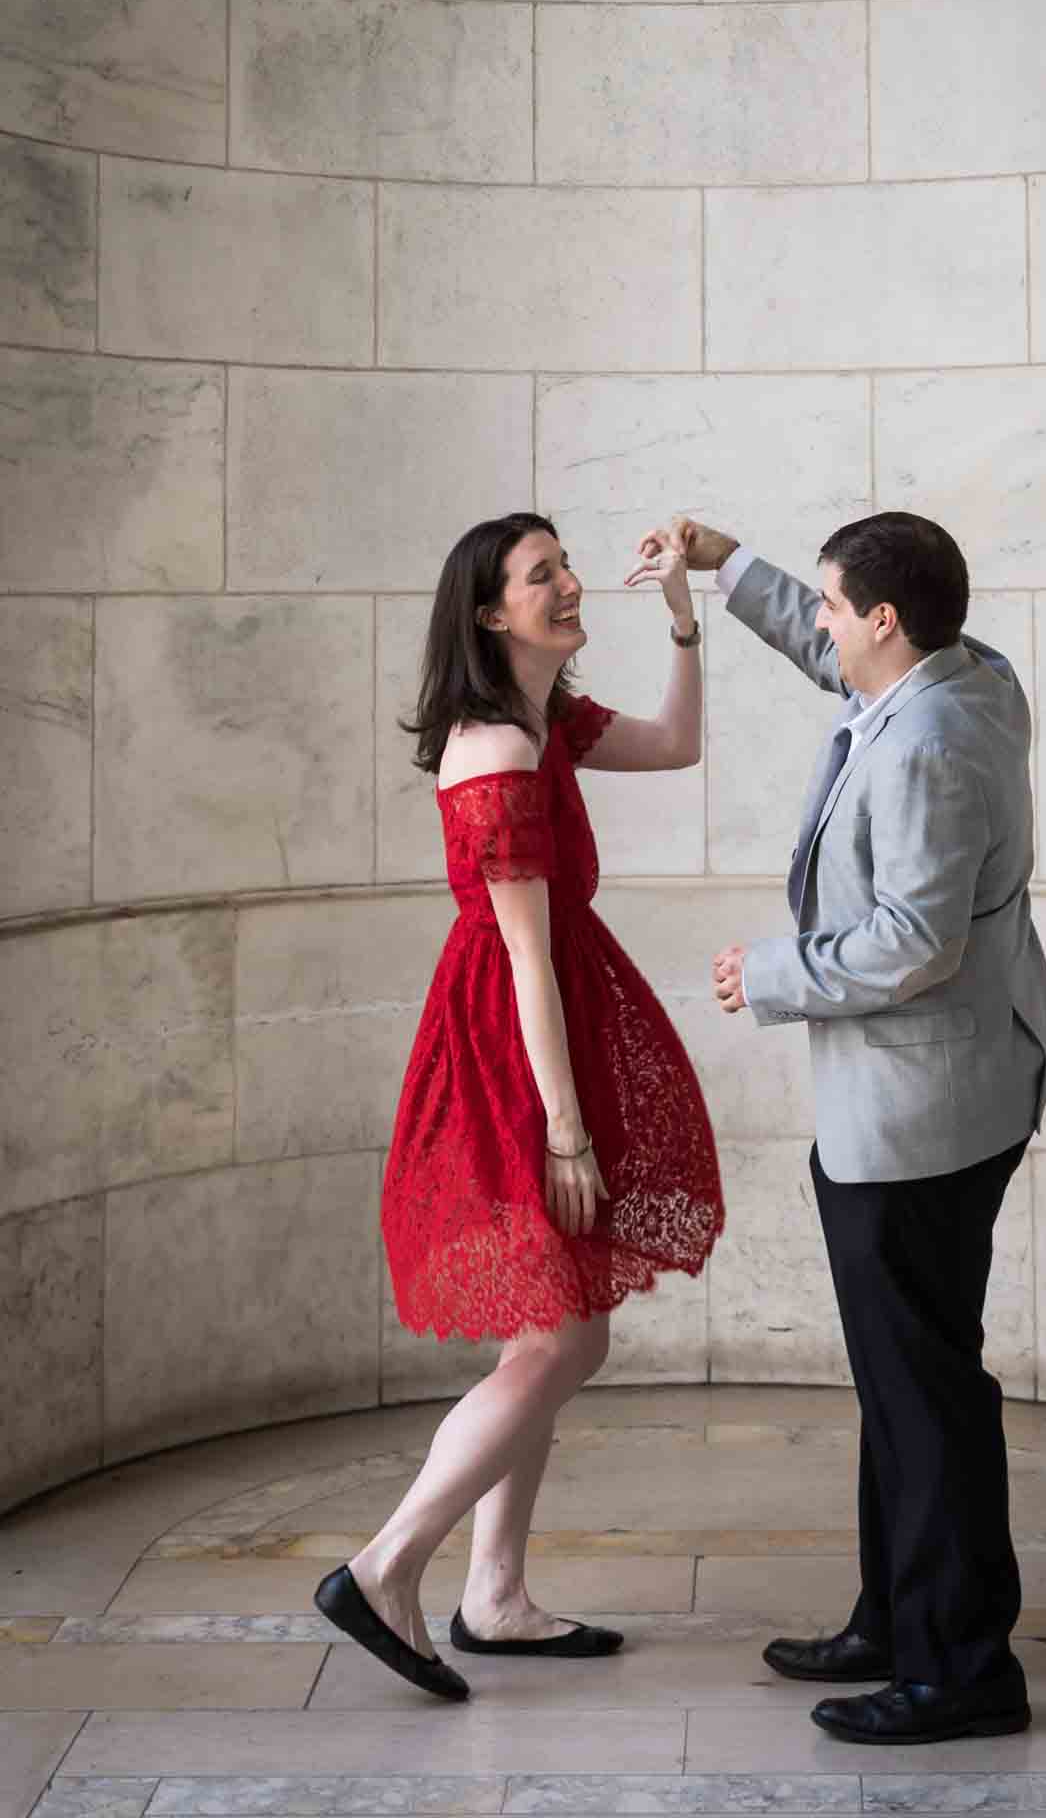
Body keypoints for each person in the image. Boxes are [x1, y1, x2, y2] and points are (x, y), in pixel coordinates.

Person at [658, 510, 1046, 1747]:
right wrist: (735, 571)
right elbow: (832, 654)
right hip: (945, 1089)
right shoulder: (964, 670)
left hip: (919, 1114)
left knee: (925, 1388)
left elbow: (916, 942)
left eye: (833, 605)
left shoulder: (931, 743)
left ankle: (958, 1665)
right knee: (904, 1377)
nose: (822, 626)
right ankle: (895, 1613)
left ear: (886, 620)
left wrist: (768, 975)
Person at [316, 512, 724, 1701]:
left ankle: (492, 1594)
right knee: (563, 1333)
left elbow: (678, 744)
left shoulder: (545, 719)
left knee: (545, 1324)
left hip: (540, 1023)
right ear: (491, 612)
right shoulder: (492, 744)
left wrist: (682, 619)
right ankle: (387, 1564)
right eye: (540, 574)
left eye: (564, 564)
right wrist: (566, 1129)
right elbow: (527, 956)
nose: (567, 582)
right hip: (513, 1045)